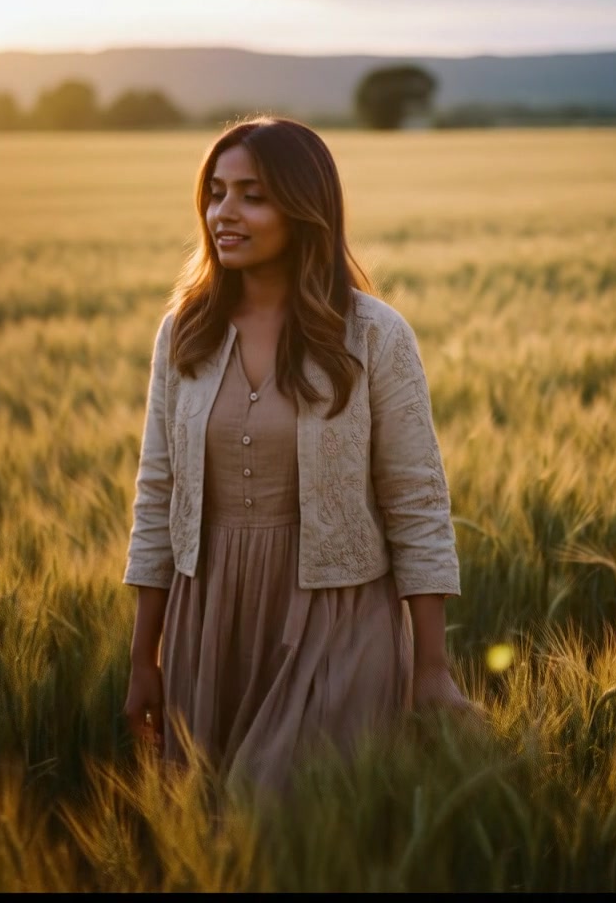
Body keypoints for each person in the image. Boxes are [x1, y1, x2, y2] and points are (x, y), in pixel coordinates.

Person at [123, 116, 471, 792]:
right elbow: (157, 495)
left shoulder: (374, 335)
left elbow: (417, 501)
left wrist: (432, 667)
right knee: (220, 837)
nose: (224, 213)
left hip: (338, 617)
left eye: (252, 195)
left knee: (296, 818)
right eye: (216, 193)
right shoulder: (184, 334)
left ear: (304, 207)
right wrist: (145, 658)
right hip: (211, 619)